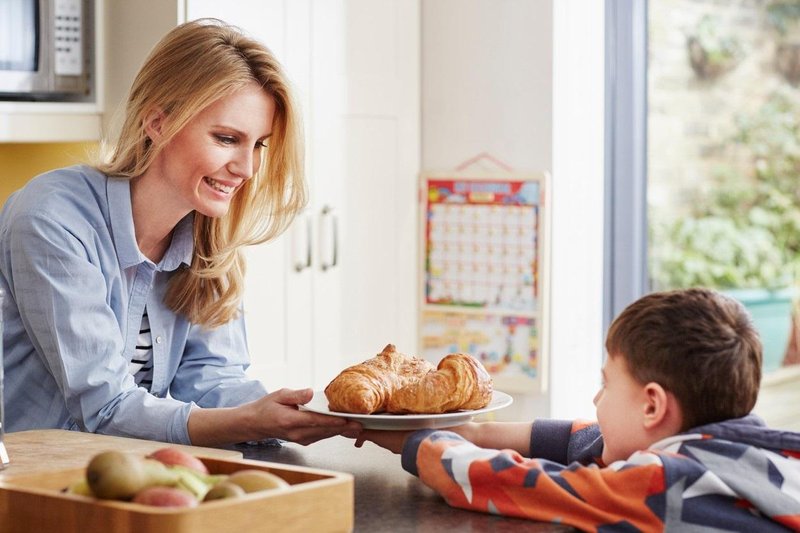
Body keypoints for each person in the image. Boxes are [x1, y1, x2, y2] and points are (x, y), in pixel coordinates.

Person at [0, 19, 360, 447]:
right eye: (227, 138)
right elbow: (105, 408)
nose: (247, 169)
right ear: (157, 122)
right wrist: (252, 423)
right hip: (33, 490)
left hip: (130, 479)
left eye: (259, 145)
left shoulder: (206, 239)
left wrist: (309, 413)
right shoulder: (52, 219)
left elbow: (212, 382)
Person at [355, 288, 800, 530]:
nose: (595, 399)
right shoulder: (763, 456)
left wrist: (423, 443)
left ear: (652, 405)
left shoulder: (664, 485)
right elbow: (587, 439)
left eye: (605, 384)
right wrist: (458, 429)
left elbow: (517, 484)